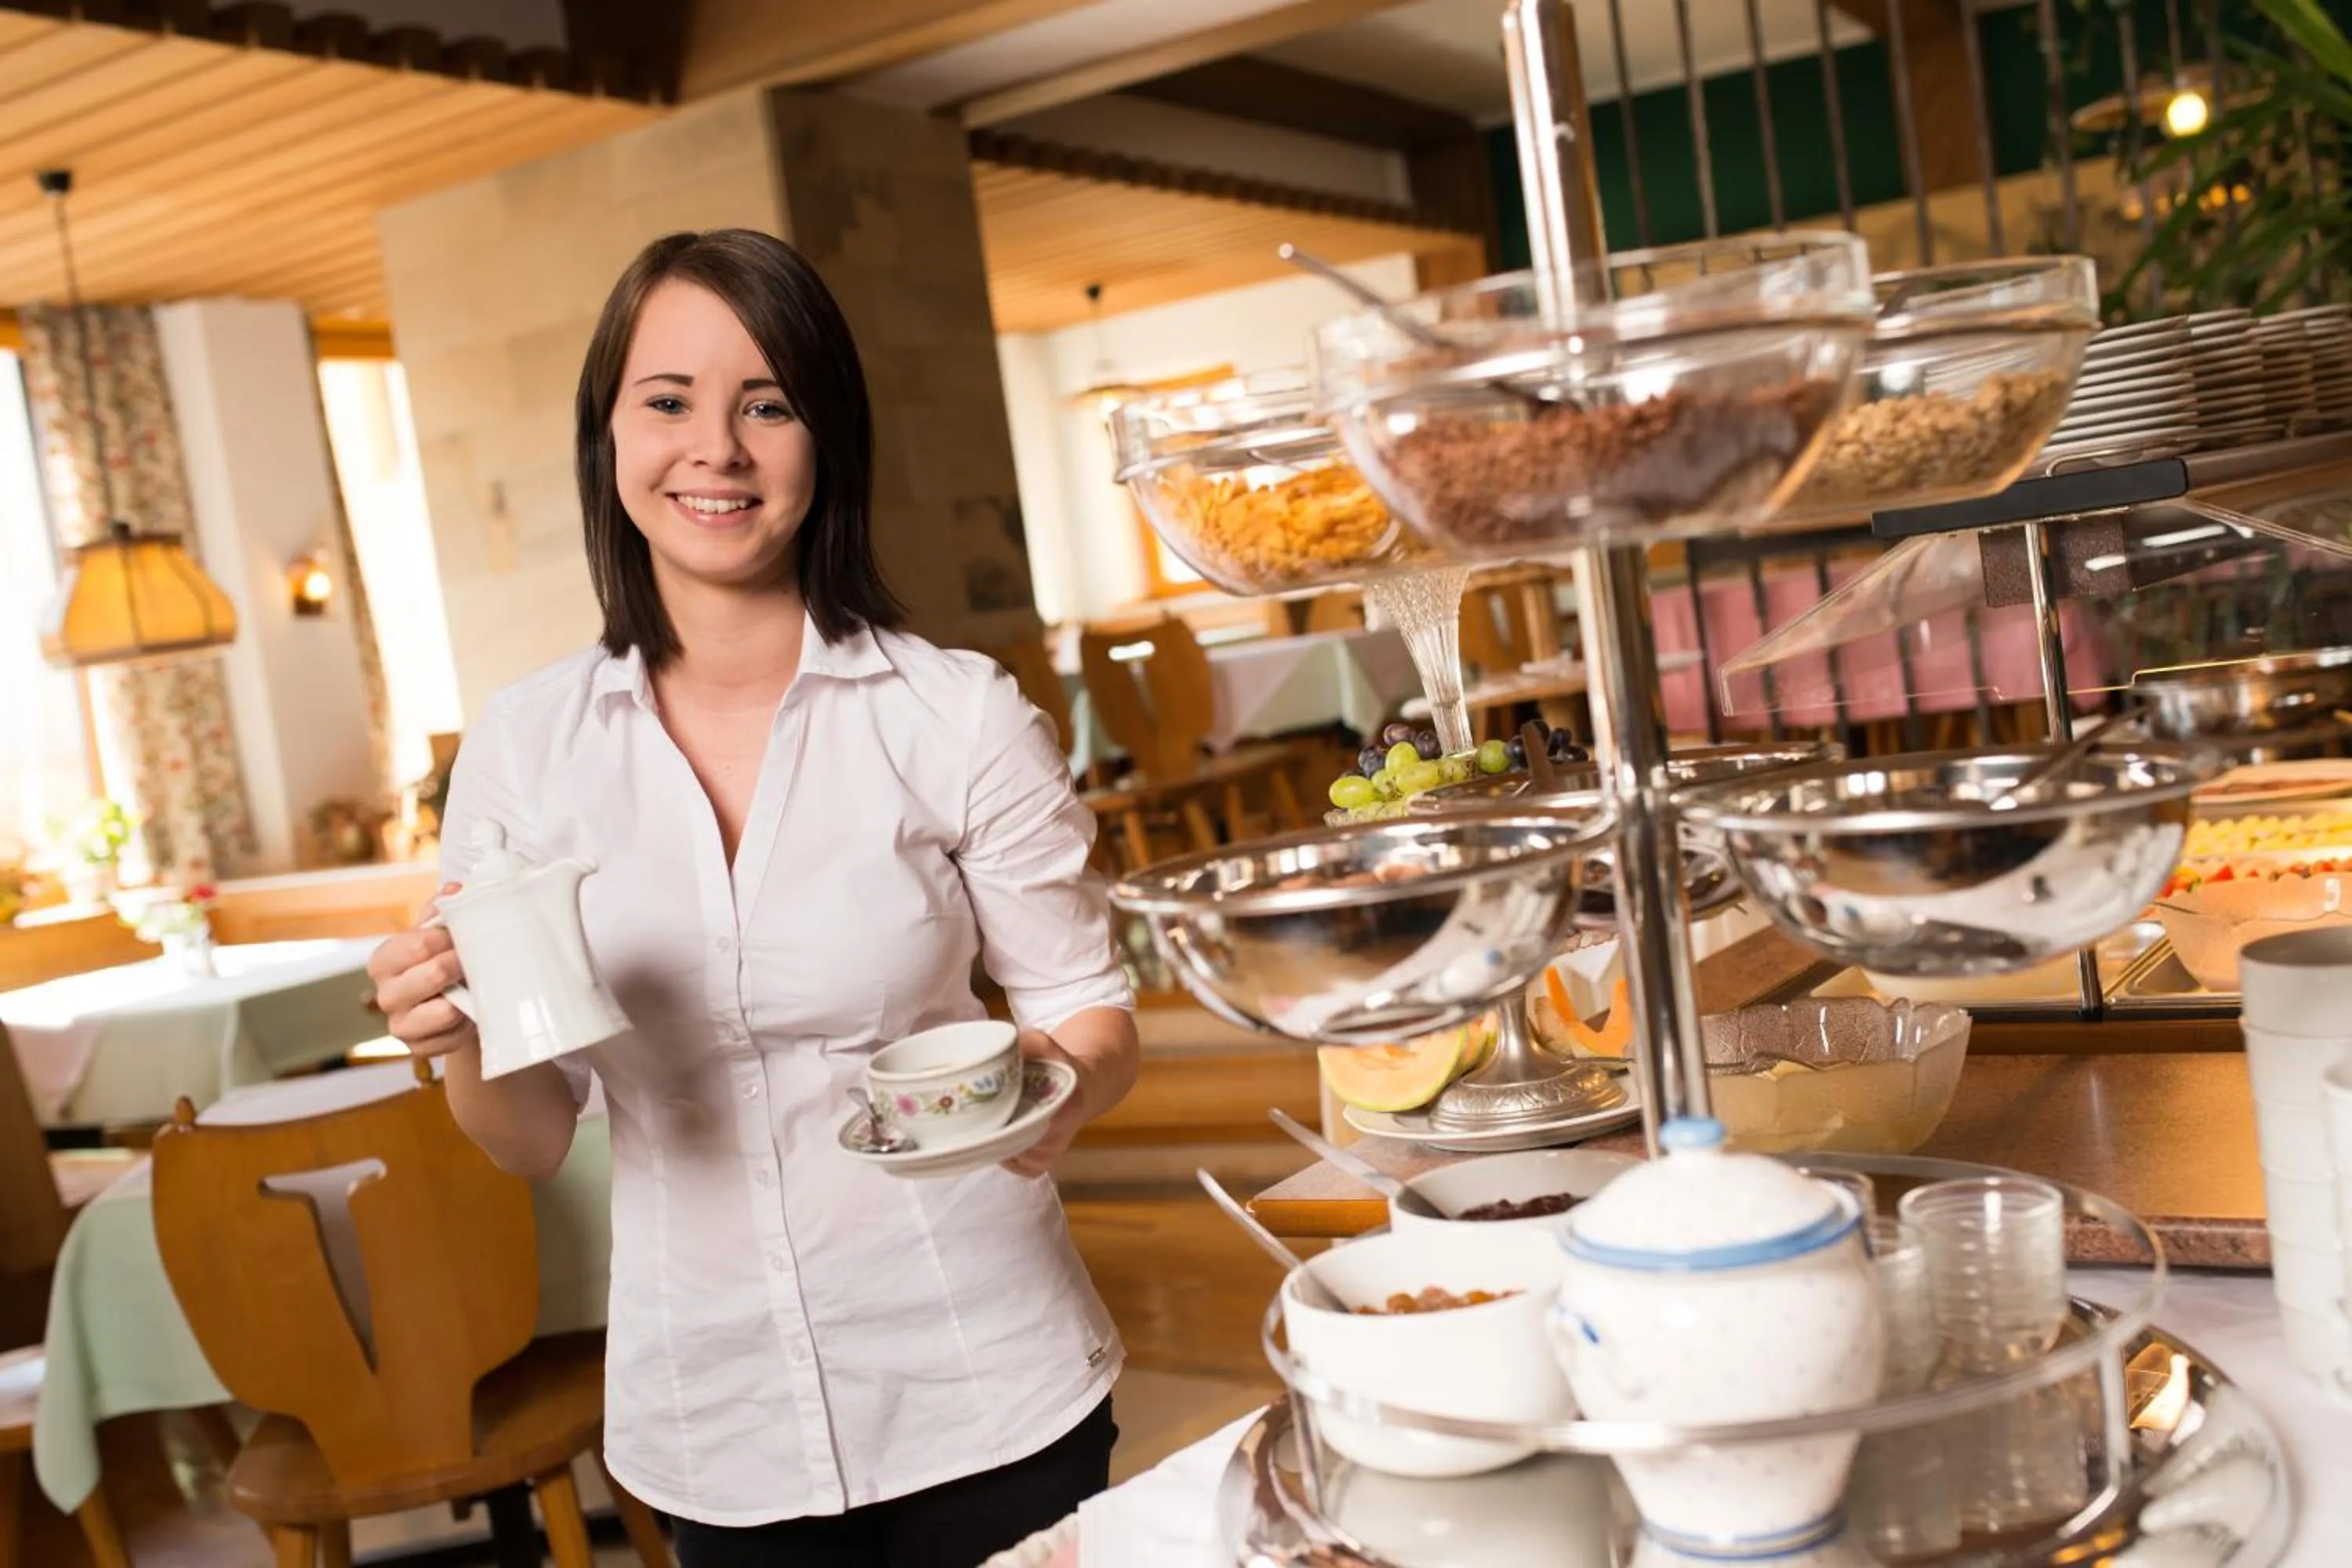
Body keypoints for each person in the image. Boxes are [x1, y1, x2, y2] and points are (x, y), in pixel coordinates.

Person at [366, 228, 1141, 1567]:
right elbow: (532, 1137)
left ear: (825, 437)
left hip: (983, 1375)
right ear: (609, 439)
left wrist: (1056, 1089)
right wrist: (453, 1035)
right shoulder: (526, 747)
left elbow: (1087, 1006)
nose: (715, 450)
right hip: (714, 1417)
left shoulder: (953, 714)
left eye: (767, 405)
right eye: (668, 401)